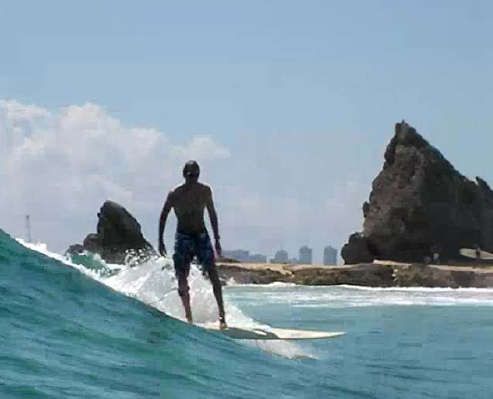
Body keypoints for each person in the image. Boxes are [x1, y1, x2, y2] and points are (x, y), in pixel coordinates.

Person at [158, 160, 227, 329]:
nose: (193, 179)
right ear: (184, 175)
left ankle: (222, 317)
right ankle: (188, 317)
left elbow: (212, 214)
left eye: (195, 176)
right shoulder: (175, 194)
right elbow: (163, 215)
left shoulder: (205, 191)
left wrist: (217, 239)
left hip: (201, 236)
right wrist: (160, 239)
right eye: (190, 176)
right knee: (181, 276)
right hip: (183, 237)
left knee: (213, 275)